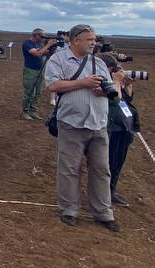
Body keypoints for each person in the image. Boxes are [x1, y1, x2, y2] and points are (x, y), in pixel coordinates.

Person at [44, 24, 119, 231]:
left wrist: (104, 91)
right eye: (89, 40)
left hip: (98, 123)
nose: (94, 43)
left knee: (102, 170)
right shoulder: (58, 60)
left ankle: (103, 213)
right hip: (71, 123)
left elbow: (111, 88)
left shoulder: (99, 63)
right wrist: (84, 83)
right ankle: (68, 210)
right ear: (75, 40)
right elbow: (53, 85)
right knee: (69, 169)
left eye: (95, 40)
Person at [99, 53, 139, 208]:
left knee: (118, 162)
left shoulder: (116, 81)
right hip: (111, 128)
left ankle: (111, 191)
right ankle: (103, 195)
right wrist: (116, 82)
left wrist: (127, 85)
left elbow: (127, 99)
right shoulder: (102, 82)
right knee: (108, 163)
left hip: (124, 127)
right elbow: (115, 100)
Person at [20, 28, 59, 121]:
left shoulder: (38, 44)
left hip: (40, 70)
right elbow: (37, 54)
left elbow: (43, 53)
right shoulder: (27, 43)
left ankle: (32, 111)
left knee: (38, 92)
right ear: (36, 35)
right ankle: (25, 112)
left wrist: (51, 49)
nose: (43, 38)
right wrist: (48, 45)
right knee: (30, 92)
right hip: (30, 71)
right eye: (41, 36)